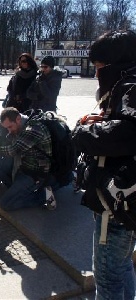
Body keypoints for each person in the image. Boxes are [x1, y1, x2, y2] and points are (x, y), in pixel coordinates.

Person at [75, 30, 136, 299]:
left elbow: (129, 133)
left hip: (116, 200)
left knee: (107, 275)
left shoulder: (130, 85)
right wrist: (101, 121)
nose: (97, 73)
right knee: (121, 266)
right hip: (122, 198)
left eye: (100, 67)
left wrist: (81, 133)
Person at [0, 107, 57, 211]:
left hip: (34, 174)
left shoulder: (34, 129)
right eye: (7, 128)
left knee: (5, 203)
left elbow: (13, 150)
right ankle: (18, 189)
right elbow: (3, 132)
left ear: (18, 119)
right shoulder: (20, 124)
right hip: (22, 166)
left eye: (10, 127)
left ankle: (44, 195)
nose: (9, 130)